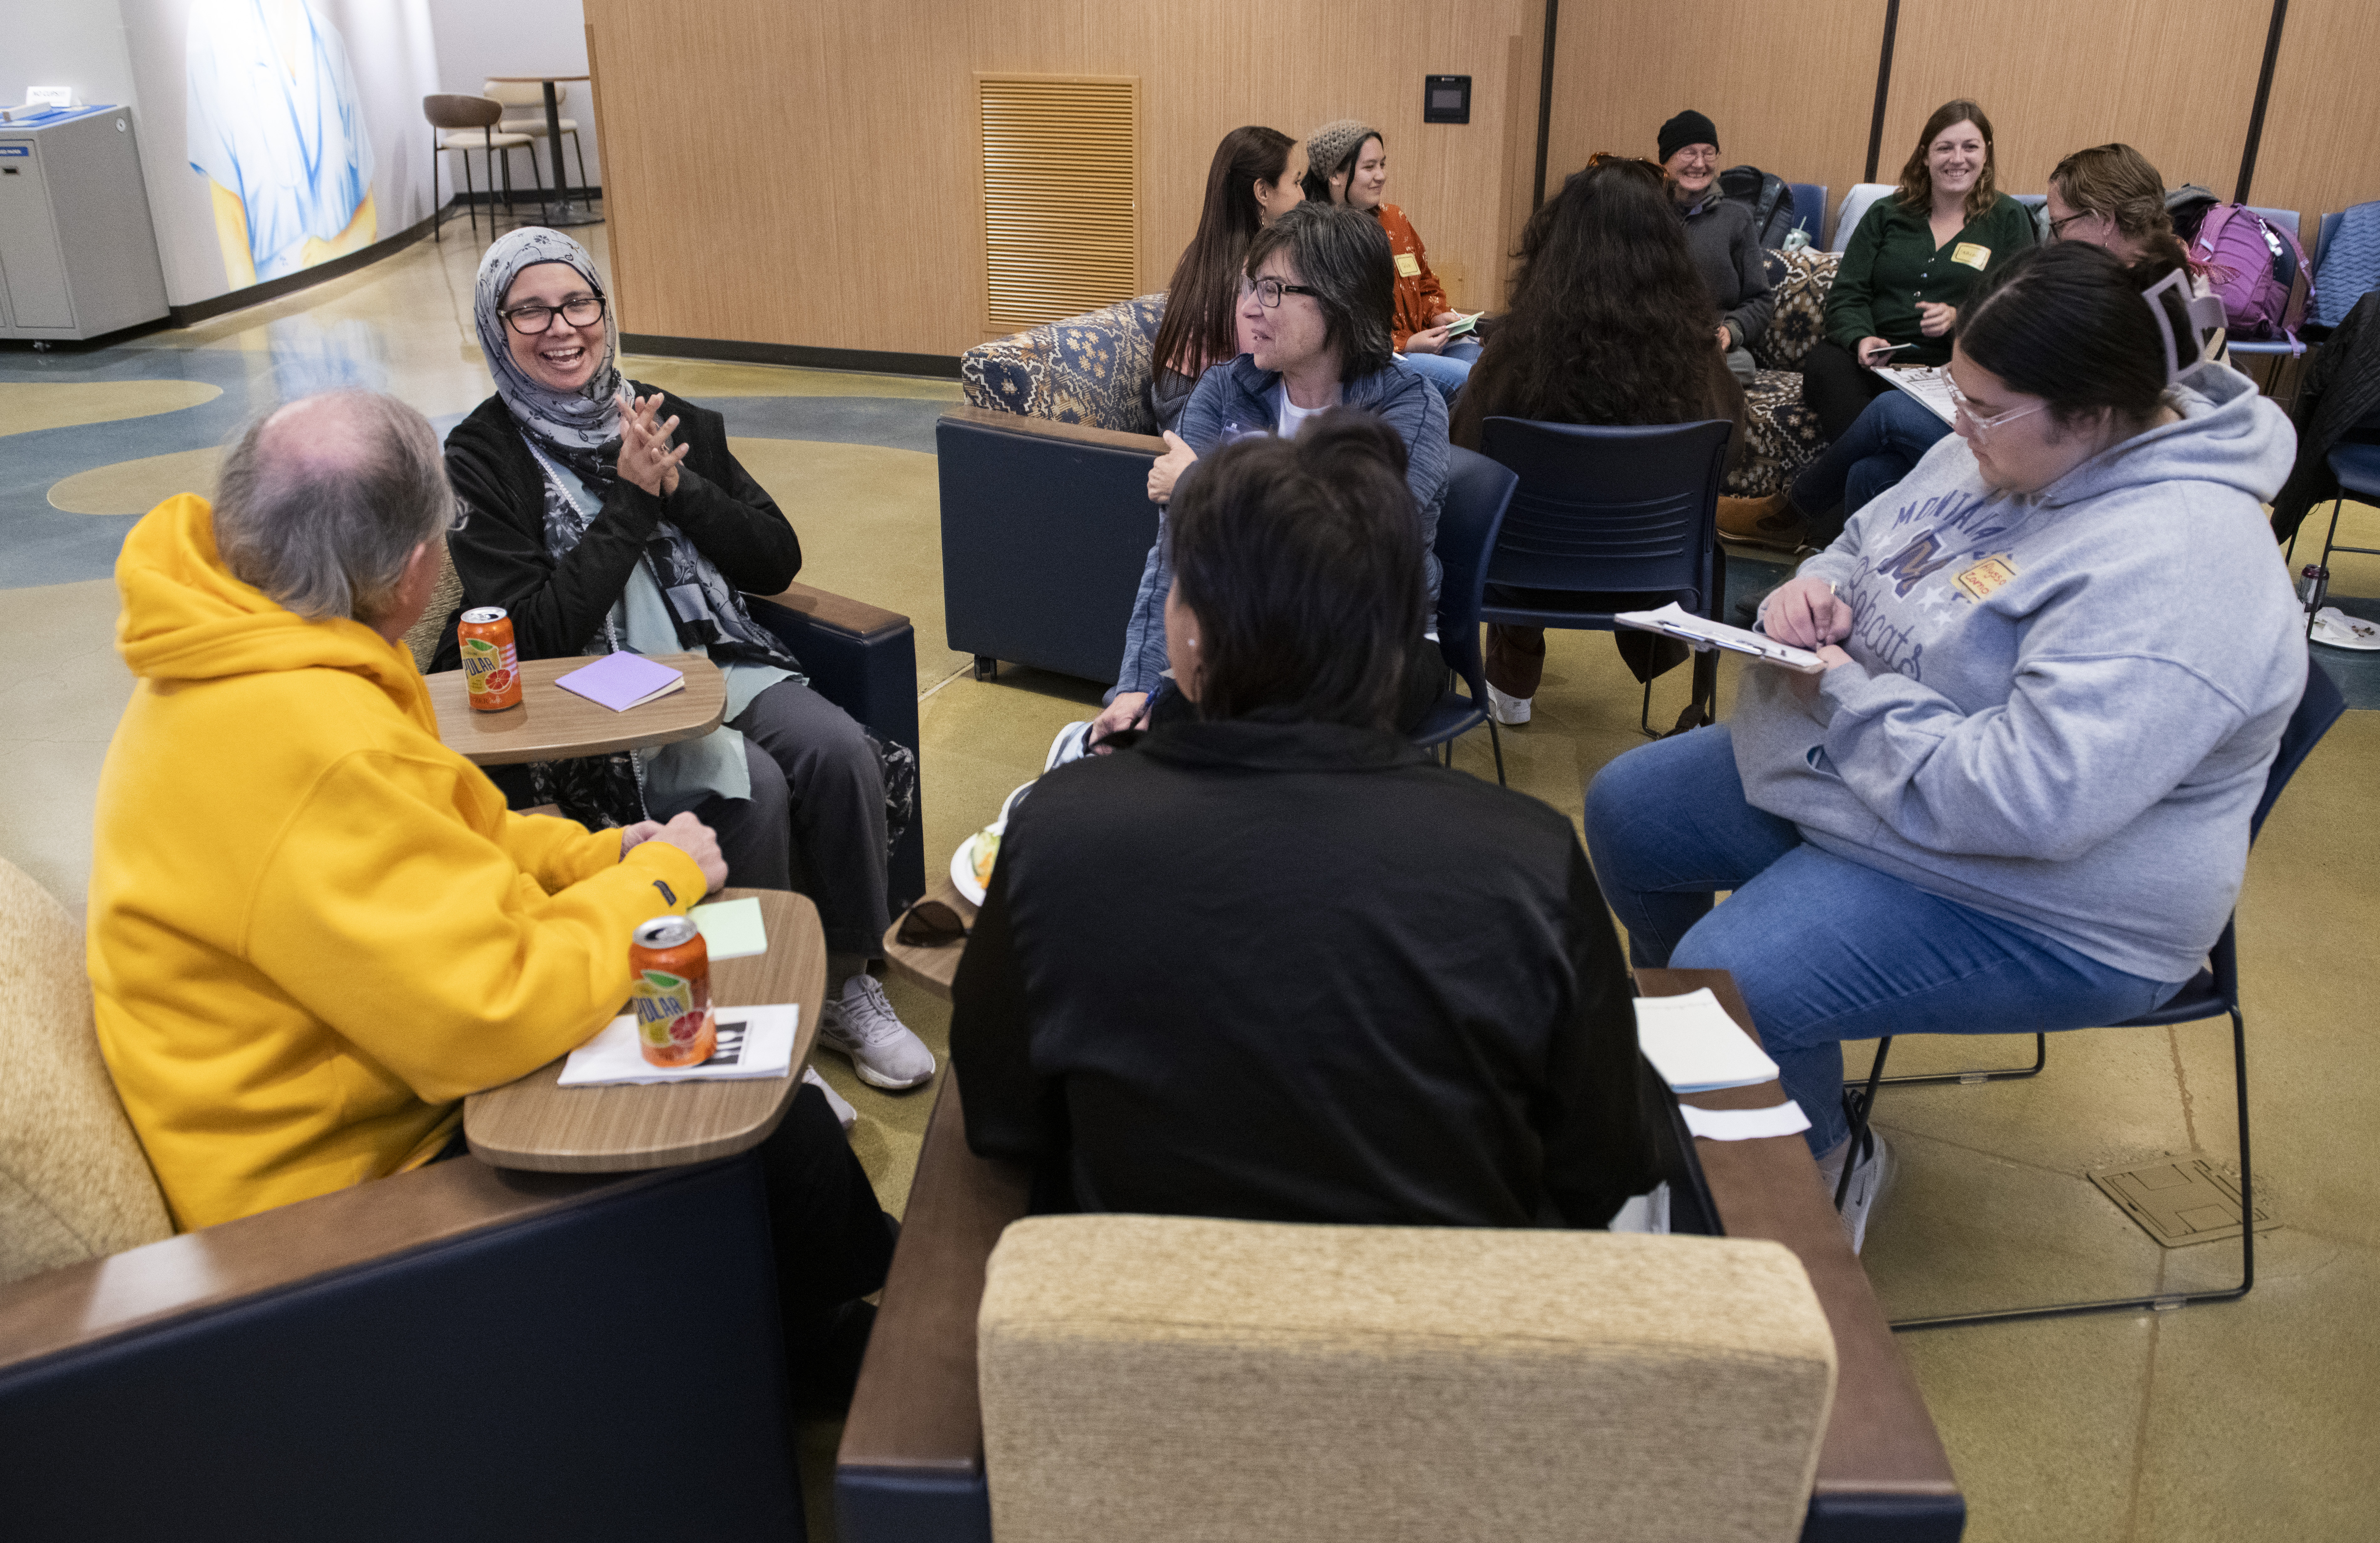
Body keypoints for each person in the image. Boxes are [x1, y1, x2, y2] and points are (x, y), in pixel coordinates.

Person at [88, 391, 894, 1394]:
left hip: (382, 1081)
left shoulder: (249, 652)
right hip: (347, 1205)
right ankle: (848, 1357)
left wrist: (594, 859)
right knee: (772, 1126)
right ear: (412, 573)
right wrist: (655, 879)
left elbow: (455, 825)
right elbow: (492, 1006)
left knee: (756, 1094)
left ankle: (812, 1329)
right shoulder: (312, 738)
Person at [1583, 243, 2305, 1251]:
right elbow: (1866, 539)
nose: (1957, 424)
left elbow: (2026, 802)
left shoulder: (2183, 563)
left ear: (2093, 417)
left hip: (2052, 894)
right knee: (1633, 813)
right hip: (1891, 776)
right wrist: (1816, 585)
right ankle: (1725, 1097)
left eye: (1982, 407)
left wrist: (1845, 695)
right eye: (1953, 392)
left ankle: (1802, 1181)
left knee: (1735, 977)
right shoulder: (2006, 439)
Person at [951, 413, 1654, 1227]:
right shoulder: (1529, 859)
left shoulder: (1056, 832)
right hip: (1442, 1339)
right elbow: (1603, 1166)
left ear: (1190, 635)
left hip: (1143, 1332)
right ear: (1397, 635)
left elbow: (1003, 1119)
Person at [441, 227, 933, 1092]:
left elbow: (774, 558)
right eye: (530, 309)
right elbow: (537, 630)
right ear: (494, 325)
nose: (562, 327)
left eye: (578, 302)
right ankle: (755, 1007)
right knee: (758, 784)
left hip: (724, 660)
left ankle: (847, 983)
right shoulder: (480, 457)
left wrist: (677, 484)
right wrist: (630, 501)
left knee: (837, 751)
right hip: (598, 692)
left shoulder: (666, 416)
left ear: (604, 309)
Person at [1088, 201, 1451, 745]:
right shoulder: (1224, 390)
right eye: (1250, 286)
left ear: (1342, 300)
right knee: (1142, 725)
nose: (1250, 309)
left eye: (1275, 290)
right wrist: (1135, 687)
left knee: (1221, 727)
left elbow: (1353, 550)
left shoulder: (1409, 404)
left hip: (1378, 645)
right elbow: (1175, 556)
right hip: (1248, 637)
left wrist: (1197, 487)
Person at [1722, 141, 2197, 554]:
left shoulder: (2130, 300)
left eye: (2059, 226)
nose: (2053, 241)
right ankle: (1836, 580)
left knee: (1889, 413)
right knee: (1871, 471)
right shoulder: (2155, 278)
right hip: (2035, 435)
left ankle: (1793, 514)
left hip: (2062, 459)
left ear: (2105, 221)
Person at [1450, 156, 1745, 727]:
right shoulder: (1696, 358)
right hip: (1653, 578)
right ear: (1668, 253)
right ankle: (1689, 700)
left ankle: (1511, 678)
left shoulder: (1515, 352)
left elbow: (1465, 453)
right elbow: (1727, 456)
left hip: (1519, 578)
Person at [1802, 100, 2037, 442]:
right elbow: (1847, 295)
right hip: (1872, 364)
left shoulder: (2009, 219)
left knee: (1882, 441)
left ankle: (1824, 490)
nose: (1958, 159)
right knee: (1826, 364)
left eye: (1970, 147)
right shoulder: (1886, 214)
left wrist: (1961, 318)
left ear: (1986, 155)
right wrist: (1862, 339)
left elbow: (2023, 308)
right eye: (1945, 148)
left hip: (1953, 368)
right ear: (1926, 156)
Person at [1303, 119, 1477, 403]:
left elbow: (1425, 281)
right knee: (1470, 382)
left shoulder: (1394, 219)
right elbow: (1331, 322)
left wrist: (1438, 315)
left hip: (1425, 340)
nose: (1381, 176)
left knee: (1488, 365)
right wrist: (1405, 344)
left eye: (1382, 165)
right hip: (1376, 356)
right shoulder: (1318, 236)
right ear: (1335, 175)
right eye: (1370, 167)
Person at [1148, 126, 1304, 433]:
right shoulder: (1248, 268)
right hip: (1194, 407)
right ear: (1262, 192)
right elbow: (1260, 363)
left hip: (1195, 392)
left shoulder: (1208, 250)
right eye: (1297, 182)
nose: (1304, 195)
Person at [1659, 109, 1774, 385]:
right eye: (1689, 152)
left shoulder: (1737, 218)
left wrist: (1732, 331)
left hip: (1709, 346)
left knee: (1742, 366)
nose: (1699, 164)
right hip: (1653, 339)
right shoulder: (1644, 212)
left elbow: (1760, 300)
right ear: (1665, 160)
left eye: (1709, 153)